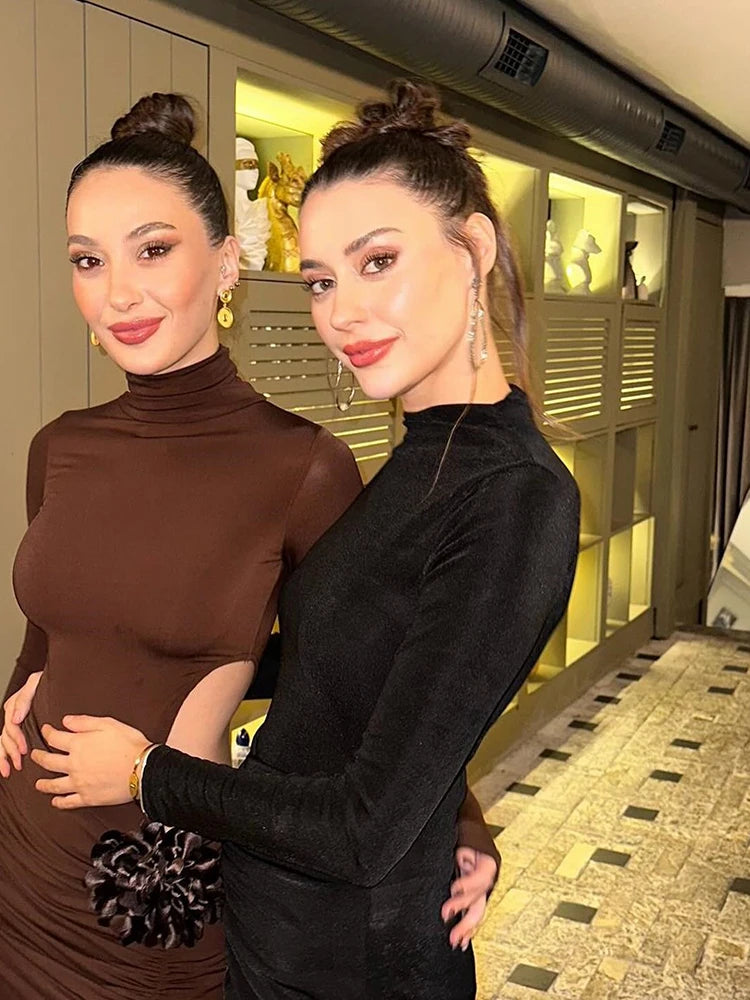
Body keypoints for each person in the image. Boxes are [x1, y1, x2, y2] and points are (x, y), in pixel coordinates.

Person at [0, 91, 499, 999]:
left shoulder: (300, 467)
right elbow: (48, 637)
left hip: (154, 885)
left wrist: (462, 822)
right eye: (88, 260)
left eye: (154, 251)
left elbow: (368, 679)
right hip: (18, 863)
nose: (120, 291)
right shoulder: (60, 445)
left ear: (227, 263)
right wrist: (10, 706)